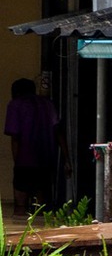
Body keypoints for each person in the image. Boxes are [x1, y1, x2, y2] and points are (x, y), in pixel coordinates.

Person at [5, 77, 62, 216]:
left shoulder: (15, 105)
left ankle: (20, 234)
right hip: (46, 159)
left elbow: (15, 137)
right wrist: (66, 159)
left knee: (20, 205)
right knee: (41, 206)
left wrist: (16, 161)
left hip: (24, 159)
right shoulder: (47, 104)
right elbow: (58, 132)